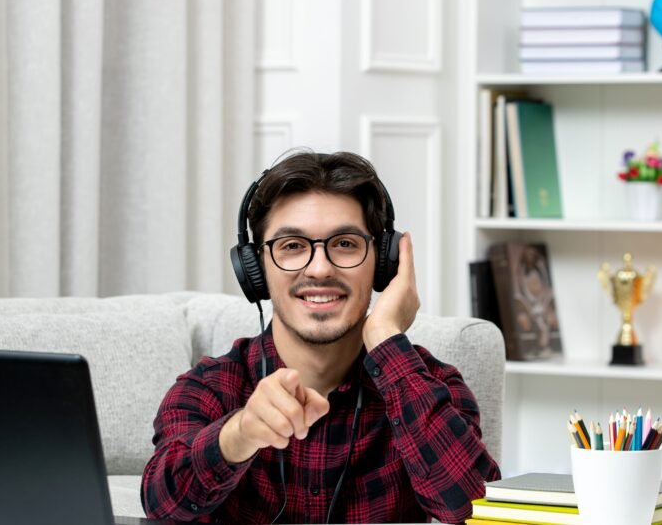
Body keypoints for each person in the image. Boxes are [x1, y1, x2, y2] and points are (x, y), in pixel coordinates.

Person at [141, 150, 500, 523]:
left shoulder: (431, 385)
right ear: (256, 269)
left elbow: (474, 511)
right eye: (292, 246)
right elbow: (162, 504)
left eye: (345, 243)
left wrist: (384, 337)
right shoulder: (209, 387)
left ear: (382, 262)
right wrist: (239, 434)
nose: (319, 268)